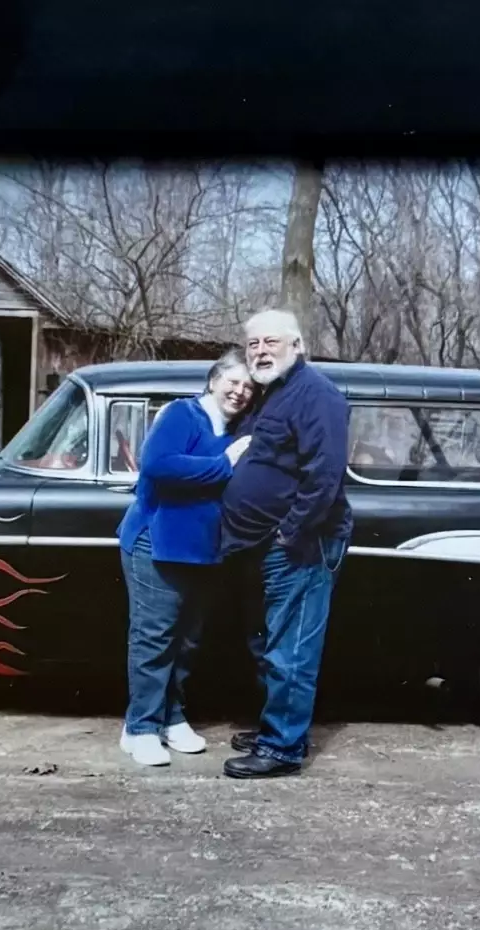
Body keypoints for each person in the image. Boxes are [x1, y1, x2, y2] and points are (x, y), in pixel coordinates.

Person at [218, 309, 353, 779]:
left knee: (291, 649)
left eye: (270, 342)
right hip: (259, 544)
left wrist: (289, 532)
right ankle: (277, 728)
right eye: (252, 344)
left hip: (301, 544)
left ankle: (283, 749)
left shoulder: (317, 396)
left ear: (297, 345)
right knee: (268, 643)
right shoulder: (269, 395)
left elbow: (325, 476)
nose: (260, 351)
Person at [115, 351, 255, 767]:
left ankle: (171, 718)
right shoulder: (183, 414)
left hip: (202, 550)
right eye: (233, 381)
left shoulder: (237, 428)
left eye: (248, 387)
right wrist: (224, 465)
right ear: (214, 380)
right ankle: (139, 727)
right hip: (156, 543)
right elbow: (158, 466)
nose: (240, 391)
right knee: (154, 638)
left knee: (188, 640)